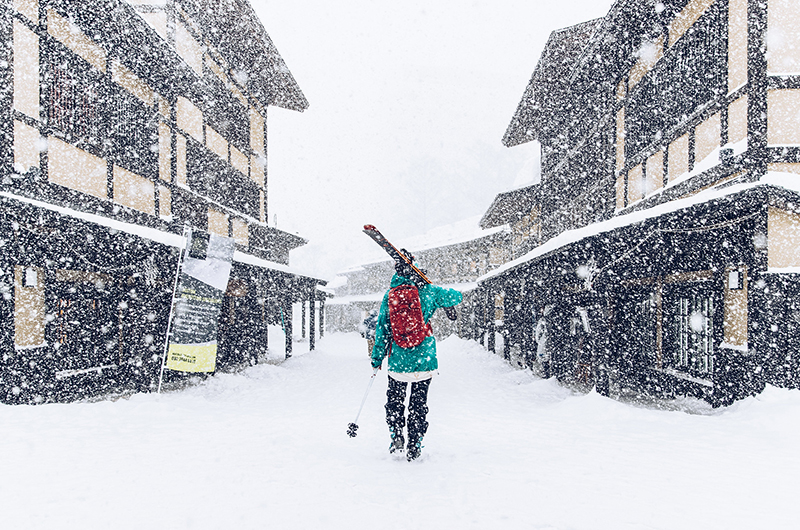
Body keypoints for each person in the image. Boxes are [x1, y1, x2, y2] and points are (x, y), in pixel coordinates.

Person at [371, 253, 462, 461]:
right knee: (418, 405)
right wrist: (433, 286)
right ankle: (416, 443)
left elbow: (382, 329)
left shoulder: (390, 295)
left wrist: (377, 359)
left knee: (395, 401)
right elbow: (457, 296)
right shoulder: (429, 292)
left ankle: (396, 435)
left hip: (398, 363)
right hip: (425, 362)